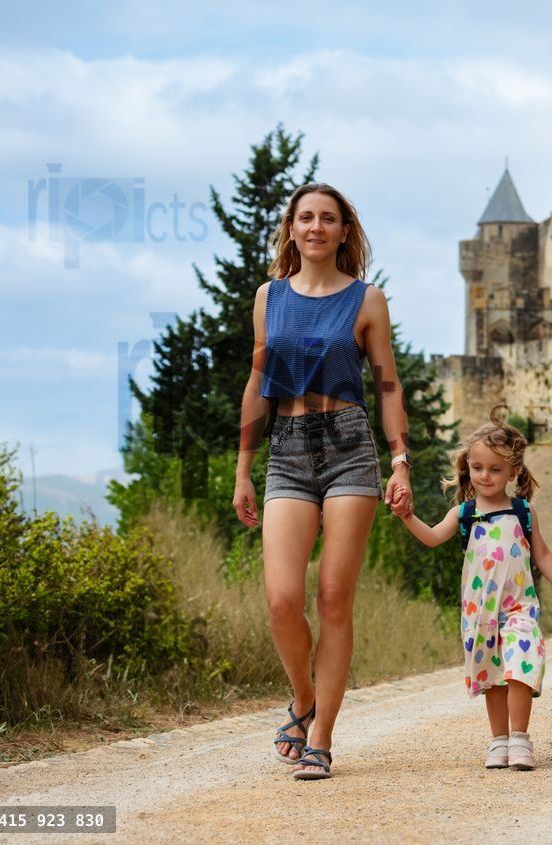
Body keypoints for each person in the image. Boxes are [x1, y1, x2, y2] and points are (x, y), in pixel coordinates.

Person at [232, 183, 414, 780]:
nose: (315, 227)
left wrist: (400, 460)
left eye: (327, 219)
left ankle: (323, 737)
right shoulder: (268, 297)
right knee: (282, 599)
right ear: (291, 228)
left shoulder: (368, 299)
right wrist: (243, 469)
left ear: (343, 231)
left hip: (349, 448)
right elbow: (258, 383)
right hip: (285, 449)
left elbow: (387, 384)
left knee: (334, 598)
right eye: (305, 217)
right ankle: (304, 701)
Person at [394, 422, 552, 770]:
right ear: (468, 468)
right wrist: (407, 516)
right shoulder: (464, 513)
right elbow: (432, 537)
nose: (485, 476)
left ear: (513, 471)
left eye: (495, 469)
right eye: (477, 468)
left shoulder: (523, 511)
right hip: (480, 614)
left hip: (520, 608)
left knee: (521, 667)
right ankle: (499, 740)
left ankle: (520, 738)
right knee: (492, 678)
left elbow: (543, 555)